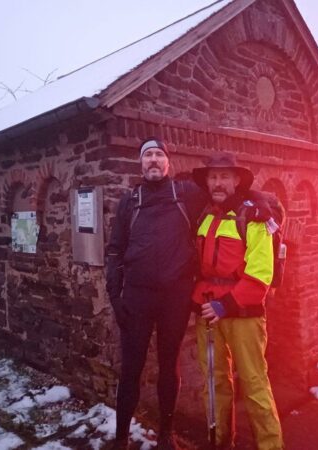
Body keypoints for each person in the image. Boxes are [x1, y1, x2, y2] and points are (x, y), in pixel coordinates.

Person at [105, 138, 207, 450]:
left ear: (168, 163)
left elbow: (224, 197)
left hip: (175, 296)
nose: (153, 160)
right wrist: (115, 296)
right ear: (140, 163)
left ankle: (166, 434)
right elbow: (115, 250)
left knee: (169, 363)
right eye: (147, 155)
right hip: (137, 296)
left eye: (158, 155)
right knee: (131, 366)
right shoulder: (129, 200)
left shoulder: (185, 193)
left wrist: (259, 202)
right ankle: (121, 437)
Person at [191, 153, 283, 450]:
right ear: (207, 181)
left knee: (254, 383)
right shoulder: (205, 215)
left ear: (236, 180)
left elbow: (260, 274)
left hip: (243, 314)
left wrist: (226, 305)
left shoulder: (253, 217)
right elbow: (201, 269)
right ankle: (219, 442)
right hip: (208, 313)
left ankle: (271, 446)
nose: (218, 182)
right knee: (214, 383)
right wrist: (198, 302)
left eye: (224, 176)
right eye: (213, 177)